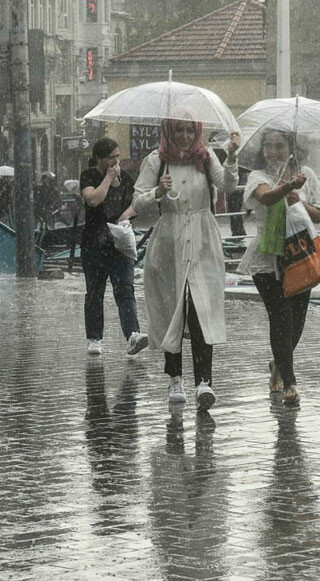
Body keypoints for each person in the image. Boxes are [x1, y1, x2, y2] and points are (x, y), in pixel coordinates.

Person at [130, 114, 240, 411]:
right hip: (170, 241)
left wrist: (230, 157)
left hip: (203, 238)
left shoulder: (206, 158)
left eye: (190, 129)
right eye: (178, 129)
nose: (184, 135)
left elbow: (228, 185)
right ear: (169, 130)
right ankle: (175, 377)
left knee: (202, 309)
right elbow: (138, 201)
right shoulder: (156, 160)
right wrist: (158, 192)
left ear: (197, 131)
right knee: (171, 309)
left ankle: (205, 381)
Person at [237, 129, 320, 405]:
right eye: (268, 146)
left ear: (291, 147)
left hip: (300, 255)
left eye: (279, 146)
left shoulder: (307, 175)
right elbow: (265, 197)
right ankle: (290, 382)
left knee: (297, 321)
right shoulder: (258, 176)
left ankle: (278, 364)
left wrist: (299, 198)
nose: (273, 152)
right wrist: (288, 187)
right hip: (267, 257)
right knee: (280, 318)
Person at [79, 138, 149, 357]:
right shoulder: (89, 176)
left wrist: (125, 218)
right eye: (111, 157)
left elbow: (135, 206)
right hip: (94, 243)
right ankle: (94, 338)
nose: (116, 161)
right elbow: (93, 200)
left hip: (120, 244)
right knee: (95, 291)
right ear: (100, 159)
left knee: (125, 289)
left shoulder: (126, 179)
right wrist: (108, 178)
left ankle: (132, 334)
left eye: (118, 156)